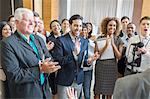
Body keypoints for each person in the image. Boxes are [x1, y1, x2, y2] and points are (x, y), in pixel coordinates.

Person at [1, 8, 61, 99]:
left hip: (44, 91)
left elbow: (48, 57)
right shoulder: (8, 43)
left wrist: (50, 65)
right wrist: (40, 69)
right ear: (17, 22)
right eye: (28, 20)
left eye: (32, 21)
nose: (32, 23)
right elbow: (14, 75)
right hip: (26, 94)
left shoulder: (38, 39)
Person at [52, 14, 99, 99]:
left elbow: (83, 62)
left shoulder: (84, 42)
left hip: (79, 80)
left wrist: (89, 61)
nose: (78, 28)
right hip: (64, 80)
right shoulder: (60, 40)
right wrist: (74, 54)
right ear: (70, 25)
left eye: (80, 26)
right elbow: (58, 61)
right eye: (76, 25)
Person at [94, 17, 124, 99]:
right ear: (106, 26)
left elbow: (119, 56)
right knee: (97, 90)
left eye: (114, 25)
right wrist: (106, 45)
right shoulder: (99, 38)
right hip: (100, 66)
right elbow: (96, 55)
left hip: (112, 67)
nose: (112, 27)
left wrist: (113, 44)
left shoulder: (119, 40)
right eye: (110, 25)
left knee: (109, 91)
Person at [0, 21, 12, 99]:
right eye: (5, 29)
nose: (8, 31)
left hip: (13, 73)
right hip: (2, 74)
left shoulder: (15, 42)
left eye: (9, 29)